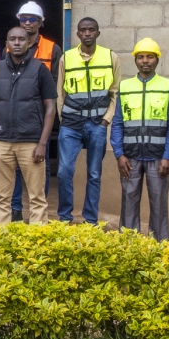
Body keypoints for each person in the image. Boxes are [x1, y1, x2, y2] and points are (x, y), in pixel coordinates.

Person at [0, 27, 58, 225]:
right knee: (1, 197)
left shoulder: (40, 69)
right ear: (6, 43)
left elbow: (50, 108)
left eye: (21, 39)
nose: (17, 43)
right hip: (1, 142)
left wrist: (43, 143)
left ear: (29, 43)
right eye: (12, 39)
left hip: (31, 143)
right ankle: (3, 239)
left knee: (37, 197)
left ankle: (37, 241)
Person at [113, 38, 169, 241]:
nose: (145, 61)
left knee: (159, 203)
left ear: (157, 59)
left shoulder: (168, 86)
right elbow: (117, 123)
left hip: (157, 158)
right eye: (140, 57)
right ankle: (128, 245)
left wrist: (168, 156)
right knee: (129, 202)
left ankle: (159, 246)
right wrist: (119, 154)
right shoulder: (125, 87)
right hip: (130, 158)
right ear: (135, 60)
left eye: (150, 57)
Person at [55, 17, 120, 224]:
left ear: (98, 33)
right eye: (83, 30)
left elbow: (115, 92)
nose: (87, 33)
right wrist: (63, 118)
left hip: (97, 124)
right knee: (65, 171)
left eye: (92, 29)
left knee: (93, 174)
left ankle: (90, 220)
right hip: (71, 124)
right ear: (78, 34)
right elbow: (60, 92)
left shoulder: (110, 57)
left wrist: (105, 121)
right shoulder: (67, 58)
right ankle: (65, 217)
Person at [10, 1, 64, 222]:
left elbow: (54, 83)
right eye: (24, 18)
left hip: (40, 116)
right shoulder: (11, 44)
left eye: (33, 19)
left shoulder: (52, 48)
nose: (28, 23)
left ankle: (38, 213)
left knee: (38, 164)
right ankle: (15, 211)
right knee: (13, 166)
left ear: (41, 22)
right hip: (14, 114)